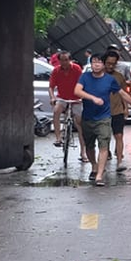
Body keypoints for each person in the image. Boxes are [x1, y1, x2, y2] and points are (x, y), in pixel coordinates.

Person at [74, 52, 118, 187]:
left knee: (104, 145)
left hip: (104, 118)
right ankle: (94, 165)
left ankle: (99, 175)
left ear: (103, 65)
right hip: (88, 117)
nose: (96, 65)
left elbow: (121, 92)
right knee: (89, 146)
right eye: (94, 62)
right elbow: (77, 91)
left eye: (99, 62)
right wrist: (92, 98)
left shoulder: (110, 80)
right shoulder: (85, 77)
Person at [48, 51, 83, 149]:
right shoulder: (56, 71)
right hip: (62, 98)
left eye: (66, 60)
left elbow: (82, 84)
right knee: (56, 111)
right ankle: (58, 138)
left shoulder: (76, 69)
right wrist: (52, 97)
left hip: (76, 99)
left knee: (80, 124)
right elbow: (51, 87)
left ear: (70, 60)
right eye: (62, 60)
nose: (64, 63)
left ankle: (83, 152)